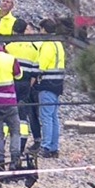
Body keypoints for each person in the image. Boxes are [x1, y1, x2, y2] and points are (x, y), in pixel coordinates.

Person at [5, 18, 40, 151]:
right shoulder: (33, 48)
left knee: (7, 112)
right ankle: (22, 142)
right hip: (25, 84)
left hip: (11, 83)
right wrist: (29, 85)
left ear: (14, 30)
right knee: (22, 114)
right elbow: (35, 73)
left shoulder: (8, 47)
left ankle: (5, 141)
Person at [35, 18, 66, 158]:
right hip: (58, 84)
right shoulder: (58, 43)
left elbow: (41, 66)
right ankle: (54, 147)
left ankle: (46, 146)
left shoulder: (47, 45)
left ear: (44, 30)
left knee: (46, 116)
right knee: (53, 116)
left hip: (47, 83)